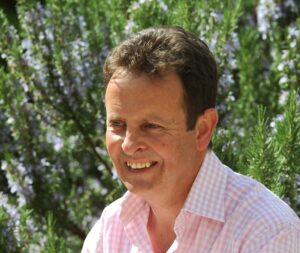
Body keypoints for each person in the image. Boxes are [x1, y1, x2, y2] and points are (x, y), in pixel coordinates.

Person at [81, 27, 300, 253]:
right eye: (118, 124)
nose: (128, 144)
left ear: (203, 129)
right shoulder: (109, 230)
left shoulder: (267, 234)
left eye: (151, 126)